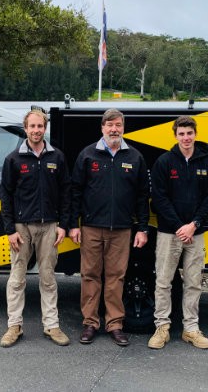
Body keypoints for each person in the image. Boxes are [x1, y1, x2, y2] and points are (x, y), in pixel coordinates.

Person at [69, 108, 149, 347]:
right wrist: (74, 224)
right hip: (92, 228)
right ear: (102, 128)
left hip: (122, 229)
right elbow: (75, 192)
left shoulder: (134, 157)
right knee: (90, 276)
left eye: (118, 125)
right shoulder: (87, 155)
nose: (114, 129)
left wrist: (142, 228)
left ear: (123, 128)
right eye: (109, 125)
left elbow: (142, 195)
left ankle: (114, 324)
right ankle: (90, 323)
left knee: (116, 278)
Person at [0, 109, 72, 347]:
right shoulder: (13, 159)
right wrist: (10, 229)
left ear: (45, 128)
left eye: (40, 126)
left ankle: (51, 325)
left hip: (50, 226)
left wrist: (64, 225)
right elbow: (6, 196)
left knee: (48, 277)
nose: (36, 131)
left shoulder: (57, 158)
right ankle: (14, 326)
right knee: (17, 278)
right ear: (25, 129)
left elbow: (66, 194)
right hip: (21, 228)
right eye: (32, 127)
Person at [148, 115, 208, 350]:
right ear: (175, 135)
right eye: (181, 134)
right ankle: (162, 327)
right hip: (169, 233)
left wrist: (193, 225)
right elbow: (159, 199)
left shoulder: (206, 162)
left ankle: (191, 329)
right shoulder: (165, 162)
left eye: (189, 133)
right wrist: (179, 226)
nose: (186, 138)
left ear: (195, 134)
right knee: (163, 282)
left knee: (194, 282)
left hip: (195, 234)